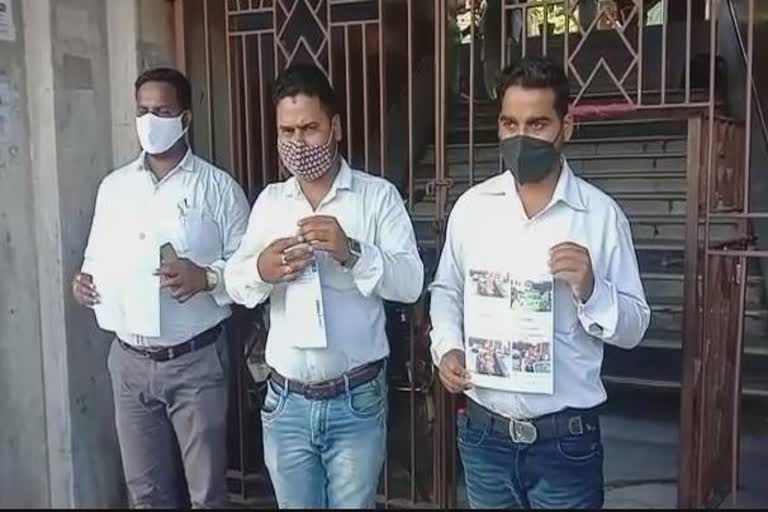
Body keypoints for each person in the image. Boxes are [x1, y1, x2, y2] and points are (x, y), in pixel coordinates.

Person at [429, 56, 651, 509]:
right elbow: (447, 289)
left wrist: (592, 289)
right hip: (484, 435)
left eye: (537, 123)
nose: (521, 137)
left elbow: (636, 326)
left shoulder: (601, 217)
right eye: (510, 123)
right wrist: (447, 347)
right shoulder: (472, 209)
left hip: (564, 443)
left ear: (566, 127)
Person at [224, 63, 424, 509]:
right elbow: (235, 284)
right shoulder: (270, 203)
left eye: (310, 128)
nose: (298, 142)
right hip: (286, 403)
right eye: (287, 130)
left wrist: (352, 252)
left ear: (335, 127)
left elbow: (410, 283)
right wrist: (262, 269)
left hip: (356, 401)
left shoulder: (377, 197)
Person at [71, 68, 250, 508]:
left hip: (196, 361)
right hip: (129, 364)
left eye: (163, 111)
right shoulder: (114, 188)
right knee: (146, 493)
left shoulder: (219, 189)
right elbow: (95, 259)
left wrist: (206, 277)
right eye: (142, 111)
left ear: (185, 119)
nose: (150, 121)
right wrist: (83, 283)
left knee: (207, 493)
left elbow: (251, 275)